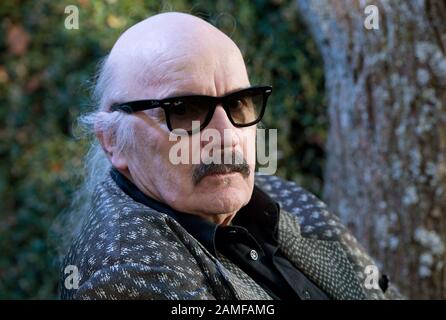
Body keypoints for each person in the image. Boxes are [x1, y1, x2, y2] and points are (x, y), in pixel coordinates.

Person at [60, 12, 399, 300]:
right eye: (184, 109)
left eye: (238, 103)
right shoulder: (123, 270)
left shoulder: (283, 197)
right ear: (113, 142)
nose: (227, 135)